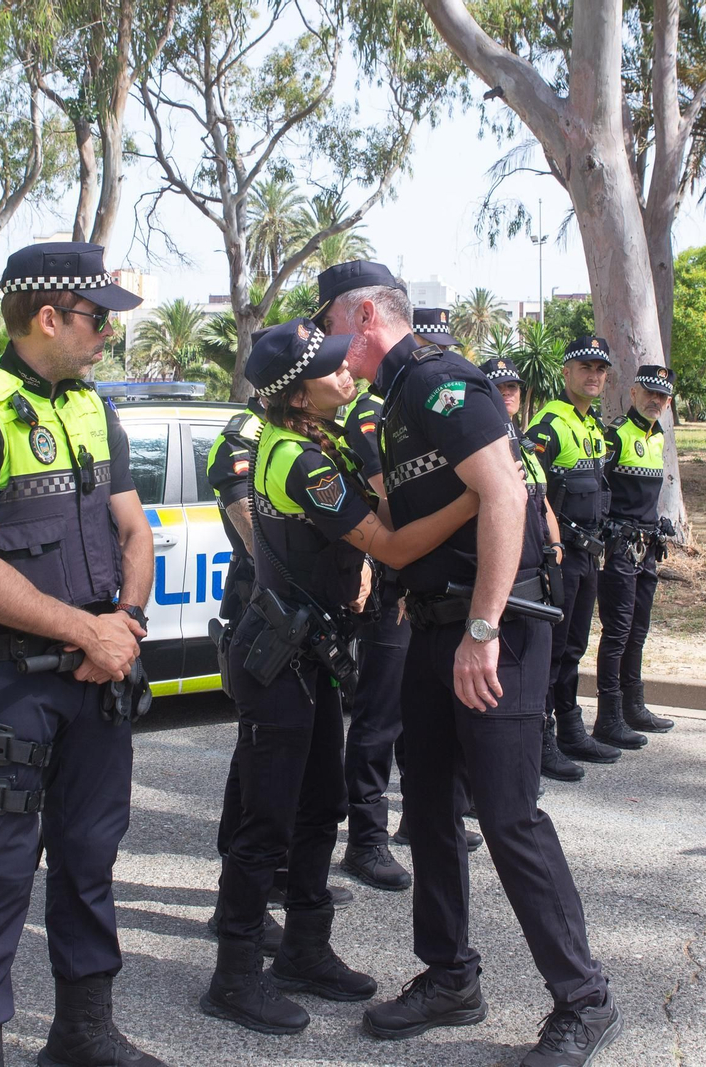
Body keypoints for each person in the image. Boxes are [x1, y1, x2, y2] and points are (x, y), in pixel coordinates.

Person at [201, 318, 480, 1037]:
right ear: (296, 395)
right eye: (329, 368)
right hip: (281, 660)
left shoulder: (311, 442)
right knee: (268, 818)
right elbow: (387, 541)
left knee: (319, 805)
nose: (345, 371)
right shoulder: (301, 460)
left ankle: (303, 948)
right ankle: (234, 974)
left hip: (310, 655)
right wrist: (479, 492)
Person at [0, 242, 160, 1067]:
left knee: (91, 859)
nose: (106, 337)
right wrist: (81, 629)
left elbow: (136, 529)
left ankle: (82, 1033)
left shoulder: (95, 407)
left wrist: (122, 623)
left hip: (100, 678)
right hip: (11, 685)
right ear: (48, 316)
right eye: (97, 320)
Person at [364, 309, 621, 1066]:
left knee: (509, 816)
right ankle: (450, 977)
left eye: (333, 327)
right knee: (433, 808)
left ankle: (585, 998)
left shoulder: (441, 381)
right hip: (435, 626)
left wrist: (482, 630)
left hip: (492, 628)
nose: (330, 349)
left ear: (369, 316)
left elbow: (505, 496)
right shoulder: (395, 402)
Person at [317, 269, 479, 891]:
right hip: (391, 580)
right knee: (380, 715)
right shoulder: (366, 416)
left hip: (416, 581)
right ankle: (365, 836)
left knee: (415, 715)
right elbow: (389, 506)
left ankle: (420, 815)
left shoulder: (400, 400)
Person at [204, 398, 286, 954]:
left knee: (282, 762)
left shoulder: (302, 432)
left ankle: (273, 881)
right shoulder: (243, 437)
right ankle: (234, 898)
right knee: (256, 755)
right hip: (262, 608)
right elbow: (257, 535)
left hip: (296, 611)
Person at [480, 356, 584, 784]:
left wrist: (555, 544)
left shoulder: (520, 441)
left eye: (514, 387)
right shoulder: (484, 441)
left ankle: (540, 746)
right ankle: (499, 767)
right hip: (508, 577)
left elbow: (540, 499)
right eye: (499, 387)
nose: (508, 393)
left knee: (547, 661)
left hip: (539, 571)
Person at [524, 337, 629, 763]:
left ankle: (569, 727)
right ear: (566, 372)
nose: (594, 375)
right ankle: (540, 736)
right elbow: (532, 492)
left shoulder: (594, 427)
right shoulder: (549, 422)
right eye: (585, 367)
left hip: (590, 553)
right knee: (552, 649)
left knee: (575, 647)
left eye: (601, 369)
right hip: (561, 554)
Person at [596, 365, 679, 736]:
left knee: (638, 631)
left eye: (661, 396)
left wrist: (659, 522)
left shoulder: (658, 438)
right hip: (619, 549)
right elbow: (597, 490)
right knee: (617, 631)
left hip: (647, 549)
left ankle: (633, 707)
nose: (654, 401)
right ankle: (608, 717)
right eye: (649, 393)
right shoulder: (615, 435)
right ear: (633, 394)